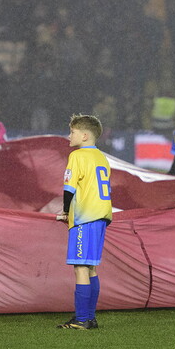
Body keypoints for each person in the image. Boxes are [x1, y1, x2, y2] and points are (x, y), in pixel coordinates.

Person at [55, 114, 112, 330]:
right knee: (91, 268)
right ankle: (89, 317)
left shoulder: (77, 156)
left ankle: (81, 319)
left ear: (85, 135)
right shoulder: (102, 158)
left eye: (72, 132)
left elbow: (69, 188)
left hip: (85, 217)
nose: (69, 136)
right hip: (101, 216)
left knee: (80, 267)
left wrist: (66, 211)